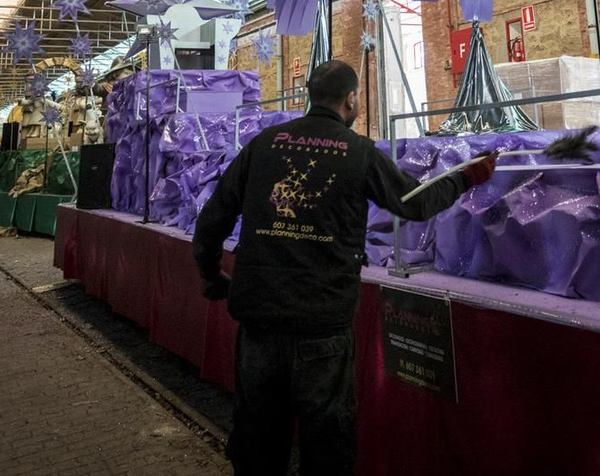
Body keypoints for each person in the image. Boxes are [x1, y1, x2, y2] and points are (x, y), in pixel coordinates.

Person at [193, 59, 497, 476]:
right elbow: (415, 203)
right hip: (322, 325)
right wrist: (468, 176)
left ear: (309, 96)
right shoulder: (359, 153)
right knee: (327, 443)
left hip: (259, 323)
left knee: (257, 438)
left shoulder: (263, 145)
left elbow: (212, 220)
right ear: (351, 99)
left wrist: (211, 277)